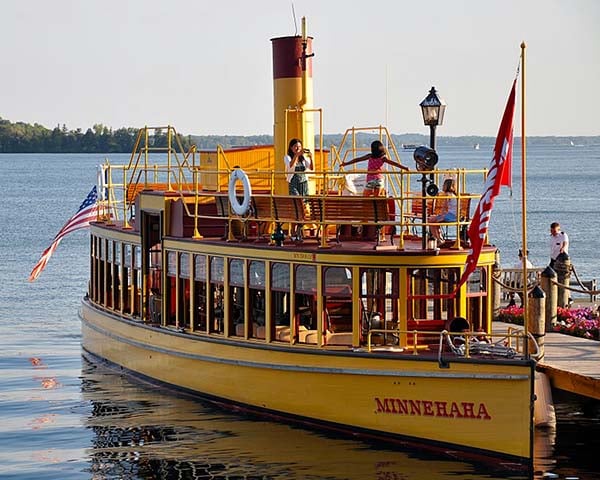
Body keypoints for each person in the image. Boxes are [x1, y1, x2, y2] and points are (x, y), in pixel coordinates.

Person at [340, 140, 408, 196]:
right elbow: (394, 163)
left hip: (371, 180)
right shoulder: (383, 158)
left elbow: (357, 159)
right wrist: (404, 168)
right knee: (376, 198)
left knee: (365, 197)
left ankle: (367, 211)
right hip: (379, 180)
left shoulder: (370, 156)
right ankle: (376, 212)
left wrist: (346, 163)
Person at [284, 138, 313, 240]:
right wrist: (296, 155)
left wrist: (310, 157)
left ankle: (298, 231)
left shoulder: (303, 159)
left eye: (299, 147)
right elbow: (290, 166)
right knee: (296, 207)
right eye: (296, 147)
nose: (298, 148)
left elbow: (311, 168)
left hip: (303, 184)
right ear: (291, 148)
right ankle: (292, 231)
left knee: (303, 209)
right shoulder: (287, 157)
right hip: (294, 183)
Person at [428, 178, 458, 245]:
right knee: (434, 220)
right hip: (453, 215)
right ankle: (439, 238)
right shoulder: (453, 195)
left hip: (451, 216)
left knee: (431, 220)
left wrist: (440, 215)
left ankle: (438, 239)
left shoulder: (448, 195)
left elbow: (445, 207)